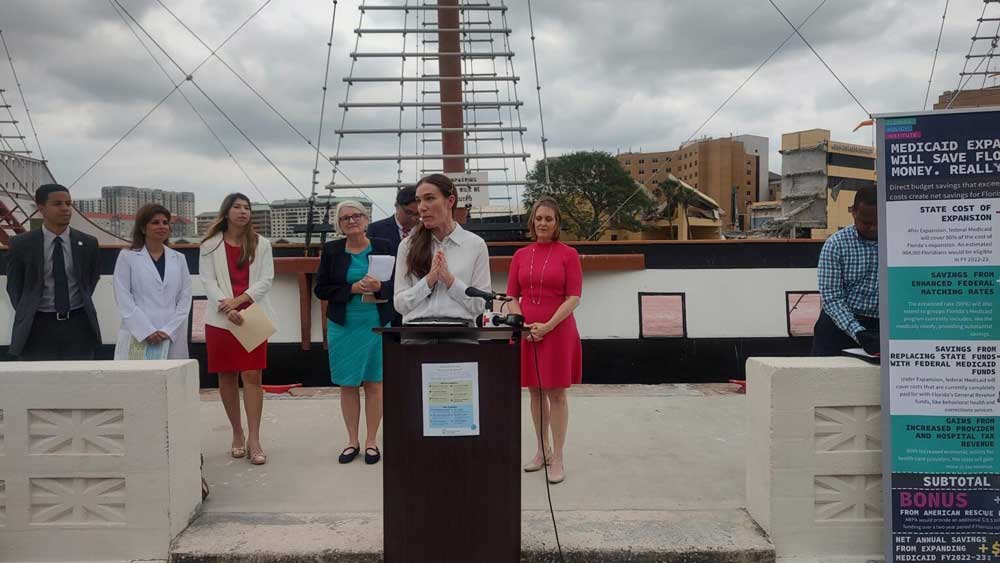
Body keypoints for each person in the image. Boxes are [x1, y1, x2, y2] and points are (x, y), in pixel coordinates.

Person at [505, 197, 582, 485]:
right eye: (539, 218)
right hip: (529, 331)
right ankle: (541, 450)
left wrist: (548, 325)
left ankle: (558, 456)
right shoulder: (521, 255)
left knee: (557, 394)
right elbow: (512, 296)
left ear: (557, 223)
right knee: (535, 393)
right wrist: (523, 323)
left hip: (558, 331)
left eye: (549, 218)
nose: (543, 223)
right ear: (532, 221)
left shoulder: (568, 255)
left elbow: (574, 297)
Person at [315, 201, 395, 465]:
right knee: (348, 384)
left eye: (357, 215)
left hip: (376, 322)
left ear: (366, 219)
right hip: (344, 324)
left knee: (374, 383)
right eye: (345, 218)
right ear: (339, 225)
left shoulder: (385, 245)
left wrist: (379, 287)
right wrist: (351, 290)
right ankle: (352, 441)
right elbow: (321, 289)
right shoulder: (331, 250)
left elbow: (400, 284)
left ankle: (372, 441)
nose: (352, 221)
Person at [200, 193, 275, 466]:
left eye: (247, 207)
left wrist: (239, 302)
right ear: (226, 212)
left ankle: (254, 438)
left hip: (252, 316)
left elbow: (266, 279)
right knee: (227, 376)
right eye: (237, 207)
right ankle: (237, 432)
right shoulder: (209, 245)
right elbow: (208, 282)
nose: (243, 211)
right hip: (221, 319)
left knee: (253, 375)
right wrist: (226, 307)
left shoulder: (261, 244)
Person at [6, 184, 101, 360]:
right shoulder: (21, 244)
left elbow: (90, 280)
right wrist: (28, 311)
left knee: (78, 382)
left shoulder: (88, 243)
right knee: (38, 383)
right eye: (57, 204)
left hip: (78, 326)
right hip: (37, 327)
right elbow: (15, 287)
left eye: (68, 203)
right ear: (41, 208)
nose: (65, 209)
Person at [393, 174, 491, 326]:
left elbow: (480, 304)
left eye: (430, 198)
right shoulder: (407, 245)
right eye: (419, 200)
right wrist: (428, 281)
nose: (422, 207)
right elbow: (400, 304)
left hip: (460, 332)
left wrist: (450, 281)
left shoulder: (475, 245)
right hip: (416, 333)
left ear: (450, 201)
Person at [112, 204, 193, 360]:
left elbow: (185, 297)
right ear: (143, 228)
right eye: (155, 222)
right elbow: (123, 298)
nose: (162, 226)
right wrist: (146, 330)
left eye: (165, 222)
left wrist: (168, 330)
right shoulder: (127, 257)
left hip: (171, 334)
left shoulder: (179, 259)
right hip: (138, 333)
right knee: (137, 381)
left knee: (173, 380)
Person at [813, 185, 879, 356]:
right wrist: (858, 332)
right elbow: (832, 298)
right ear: (853, 212)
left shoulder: (900, 242)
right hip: (840, 324)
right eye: (866, 223)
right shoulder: (836, 245)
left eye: (879, 222)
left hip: (883, 325)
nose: (873, 228)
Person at [367, 185, 419, 254]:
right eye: (408, 212)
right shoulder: (376, 230)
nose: (413, 218)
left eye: (418, 214)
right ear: (397, 206)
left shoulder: (427, 230)